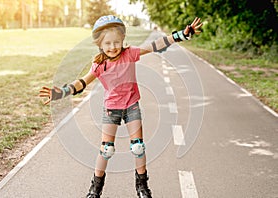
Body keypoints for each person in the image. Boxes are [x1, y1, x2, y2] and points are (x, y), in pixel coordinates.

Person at [39, 15, 202, 198]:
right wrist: (61, 92)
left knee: (138, 147)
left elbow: (155, 45)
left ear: (123, 40)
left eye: (117, 42)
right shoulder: (99, 65)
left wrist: (182, 34)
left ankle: (142, 187)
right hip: (111, 109)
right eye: (107, 43)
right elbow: (82, 83)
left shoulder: (130, 53)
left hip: (132, 106)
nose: (113, 46)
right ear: (100, 44)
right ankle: (95, 189)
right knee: (106, 150)